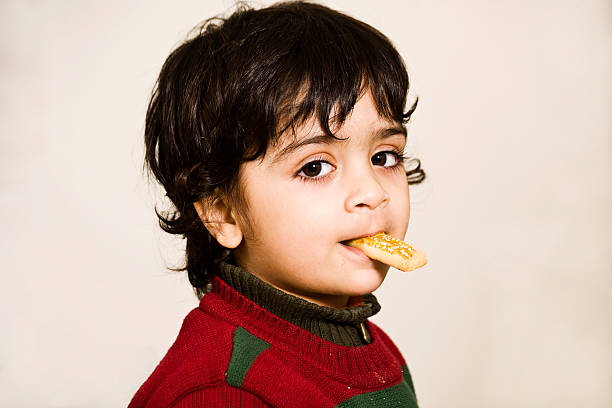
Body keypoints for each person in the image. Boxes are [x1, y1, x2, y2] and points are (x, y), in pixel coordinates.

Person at [129, 1, 426, 406]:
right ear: (222, 212)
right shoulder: (225, 392)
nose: (373, 192)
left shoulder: (372, 347)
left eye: (383, 157)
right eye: (316, 167)